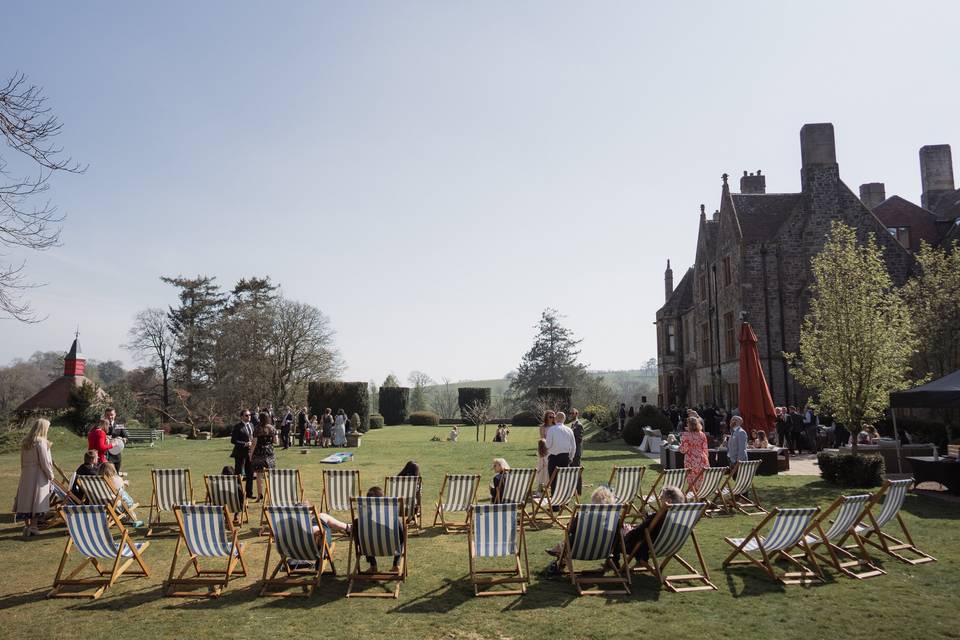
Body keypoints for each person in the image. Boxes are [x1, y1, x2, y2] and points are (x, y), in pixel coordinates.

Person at [545, 485, 617, 571]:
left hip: (580, 549)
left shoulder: (584, 517)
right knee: (570, 541)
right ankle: (559, 552)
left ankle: (559, 553)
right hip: (604, 550)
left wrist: (570, 525)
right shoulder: (614, 518)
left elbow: (570, 529)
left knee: (569, 540)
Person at [615, 486, 686, 565]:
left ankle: (614, 563)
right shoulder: (681, 519)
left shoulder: (658, 518)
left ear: (668, 501)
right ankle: (641, 560)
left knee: (617, 526)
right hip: (668, 547)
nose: (660, 499)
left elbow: (638, 533)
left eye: (662, 497)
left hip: (639, 547)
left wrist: (627, 532)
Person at [13, 418, 54, 537]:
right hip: (38, 475)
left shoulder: (26, 442)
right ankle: (34, 526)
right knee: (36, 500)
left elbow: (22, 461)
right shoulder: (40, 442)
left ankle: (27, 526)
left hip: (26, 474)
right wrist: (50, 475)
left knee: (26, 500)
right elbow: (44, 461)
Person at [357, 486, 403, 573]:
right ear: (383, 501)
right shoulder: (392, 518)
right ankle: (396, 565)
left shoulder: (362, 521)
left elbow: (358, 539)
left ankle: (373, 565)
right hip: (390, 547)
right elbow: (402, 536)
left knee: (363, 538)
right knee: (402, 538)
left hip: (370, 548)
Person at [545, 410, 577, 494]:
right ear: (564, 419)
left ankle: (555, 505)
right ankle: (564, 502)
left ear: (555, 419)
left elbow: (548, 445)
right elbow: (573, 446)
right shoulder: (569, 430)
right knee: (564, 481)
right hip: (565, 458)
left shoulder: (552, 429)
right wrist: (571, 457)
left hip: (554, 458)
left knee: (554, 481)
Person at [230, 409, 256, 498]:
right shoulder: (237, 427)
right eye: (246, 415)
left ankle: (249, 493)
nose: (249, 417)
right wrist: (245, 444)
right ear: (241, 417)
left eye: (249, 415)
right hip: (240, 453)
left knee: (250, 473)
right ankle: (238, 494)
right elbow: (233, 440)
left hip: (250, 453)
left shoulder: (252, 425)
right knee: (239, 474)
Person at [252, 412, 277, 500]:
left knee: (259, 475)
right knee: (271, 474)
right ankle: (272, 493)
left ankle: (260, 495)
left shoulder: (257, 428)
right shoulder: (272, 428)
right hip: (269, 452)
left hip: (259, 452)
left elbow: (254, 443)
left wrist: (251, 454)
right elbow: (275, 441)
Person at [680, 416, 709, 493]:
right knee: (701, 478)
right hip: (702, 458)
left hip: (690, 459)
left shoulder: (686, 435)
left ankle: (695, 496)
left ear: (688, 425)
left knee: (692, 480)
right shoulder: (702, 434)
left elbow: (683, 450)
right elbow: (705, 448)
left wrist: (679, 446)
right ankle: (699, 496)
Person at [103, 407, 128, 472]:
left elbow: (125, 436)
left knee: (116, 474)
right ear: (105, 415)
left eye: (111, 415)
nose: (110, 417)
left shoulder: (119, 425)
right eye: (107, 415)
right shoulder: (101, 425)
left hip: (116, 455)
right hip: (105, 455)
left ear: (115, 415)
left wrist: (123, 439)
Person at [569, 408, 584, 494]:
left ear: (576, 414)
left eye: (572, 413)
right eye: (570, 413)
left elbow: (579, 439)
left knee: (577, 470)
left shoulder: (579, 425)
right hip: (572, 451)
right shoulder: (573, 425)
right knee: (572, 470)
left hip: (576, 451)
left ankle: (578, 491)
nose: (571, 415)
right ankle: (573, 489)